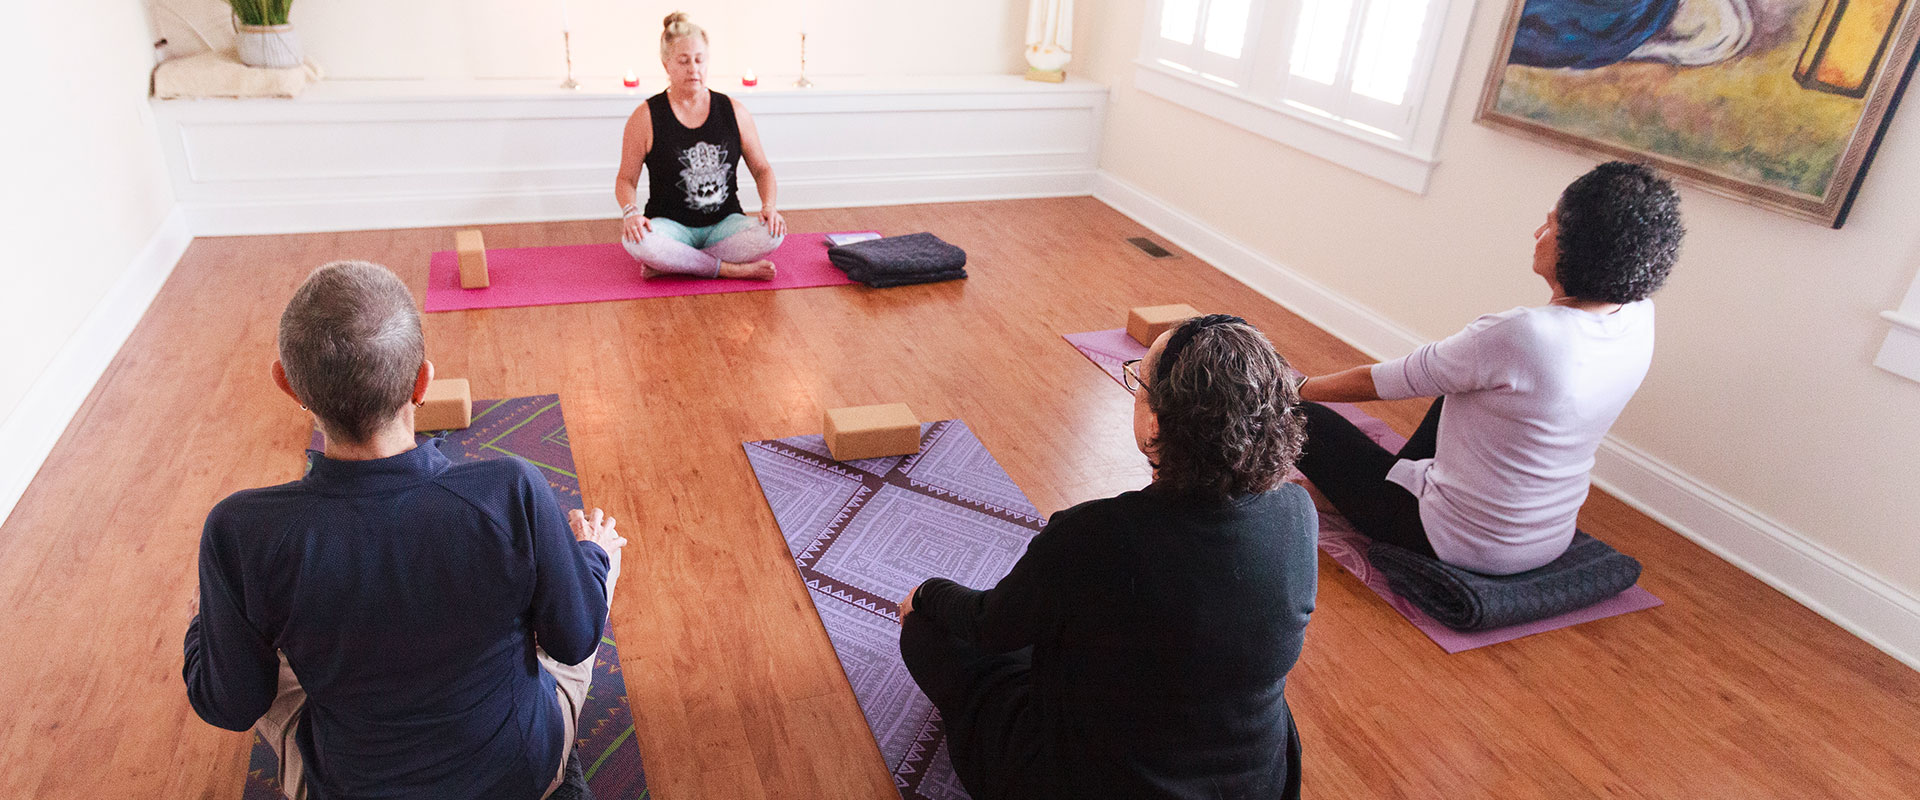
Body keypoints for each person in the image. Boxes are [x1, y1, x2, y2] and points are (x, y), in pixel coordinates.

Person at [182, 261, 628, 799]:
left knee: (243, 635)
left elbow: (229, 704)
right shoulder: (511, 489)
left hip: (351, 787)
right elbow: (574, 640)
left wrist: (203, 625)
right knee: (579, 580)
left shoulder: (240, 533)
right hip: (519, 775)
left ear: (287, 383)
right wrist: (594, 555)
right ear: (422, 382)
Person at [897, 315, 1318, 800]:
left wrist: (927, 594)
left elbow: (992, 627)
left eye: (1139, 384)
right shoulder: (1297, 512)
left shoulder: (1091, 535)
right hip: (1258, 786)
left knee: (930, 635)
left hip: (1093, 783)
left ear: (1157, 422)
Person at [1294, 161, 1684, 576]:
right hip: (1549, 538)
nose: (1538, 234)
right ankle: (1385, 482)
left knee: (1299, 417)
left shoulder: (1523, 334)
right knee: (1458, 382)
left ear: (1580, 247)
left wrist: (1296, 386)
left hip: (1454, 540)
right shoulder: (1639, 315)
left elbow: (1381, 381)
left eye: (1551, 225)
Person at [615, 12, 786, 281]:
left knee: (773, 233)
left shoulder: (734, 110)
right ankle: (728, 269)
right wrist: (631, 214)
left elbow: (762, 168)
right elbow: (626, 178)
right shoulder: (645, 116)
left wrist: (769, 206)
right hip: (670, 226)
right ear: (666, 65)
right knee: (636, 241)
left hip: (724, 224)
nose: (693, 68)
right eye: (683, 61)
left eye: (699, 60)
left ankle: (676, 262)